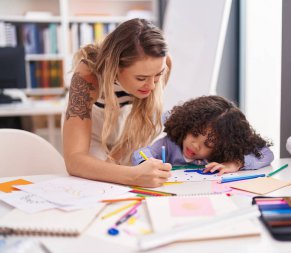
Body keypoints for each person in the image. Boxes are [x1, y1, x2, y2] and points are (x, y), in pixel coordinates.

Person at [62, 18, 172, 188]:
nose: (151, 86)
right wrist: (132, 175)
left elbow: (139, 128)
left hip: (132, 133)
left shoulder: (161, 62)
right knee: (96, 186)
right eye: (141, 78)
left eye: (158, 75)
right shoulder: (87, 77)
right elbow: (75, 160)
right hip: (95, 134)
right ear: (115, 68)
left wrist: (127, 166)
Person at [132, 95, 274, 175]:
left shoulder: (222, 155)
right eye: (194, 134)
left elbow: (266, 154)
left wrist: (235, 163)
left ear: (222, 147)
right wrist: (147, 163)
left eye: (208, 144)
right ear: (187, 125)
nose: (195, 145)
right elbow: (142, 153)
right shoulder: (170, 144)